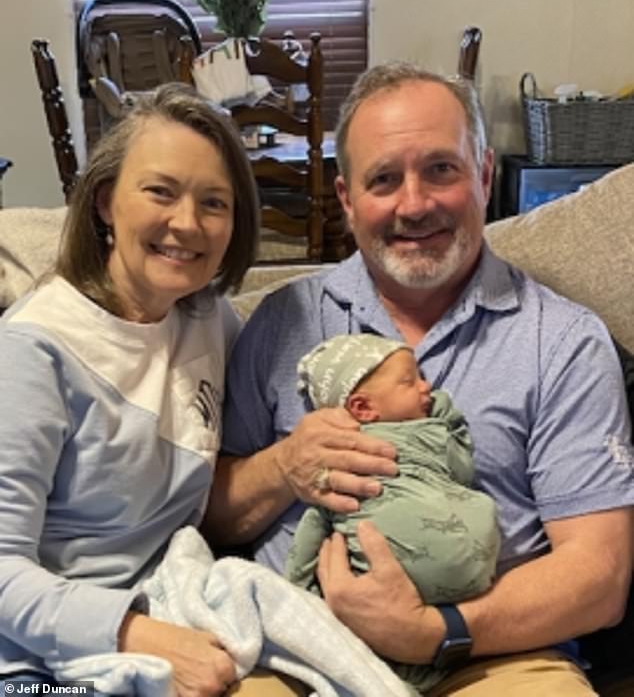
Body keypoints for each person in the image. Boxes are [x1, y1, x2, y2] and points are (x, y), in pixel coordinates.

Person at [214, 61, 634, 695]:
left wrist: (436, 629)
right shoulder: (281, 323)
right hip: (294, 650)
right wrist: (281, 468)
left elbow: (599, 577)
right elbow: (208, 512)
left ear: (485, 175)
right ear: (348, 199)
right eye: (384, 179)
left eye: (442, 169)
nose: (415, 204)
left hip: (491, 655)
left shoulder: (563, 342)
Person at [0, 83, 305, 697]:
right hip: (39, 661)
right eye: (161, 191)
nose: (187, 224)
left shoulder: (211, 320)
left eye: (214, 203)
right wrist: (135, 633)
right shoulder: (34, 349)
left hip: (177, 607)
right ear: (106, 201)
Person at [286, 332, 499, 693]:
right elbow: (461, 470)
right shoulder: (426, 434)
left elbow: (316, 520)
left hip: (473, 621)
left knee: (330, 518)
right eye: (410, 380)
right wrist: (448, 417)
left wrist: (296, 590)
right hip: (467, 574)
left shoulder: (417, 432)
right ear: (363, 408)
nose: (426, 386)